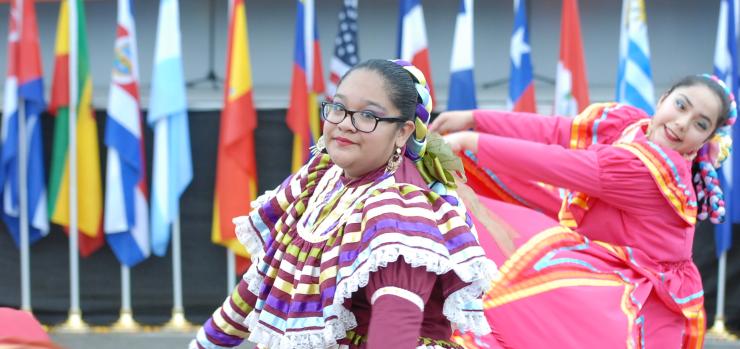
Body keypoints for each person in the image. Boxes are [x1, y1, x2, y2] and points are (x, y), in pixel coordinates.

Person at [189, 59, 496, 349]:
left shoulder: (399, 210)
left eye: (368, 116)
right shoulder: (320, 178)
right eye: (338, 108)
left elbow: (395, 328)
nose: (345, 124)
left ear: (403, 132)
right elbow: (261, 283)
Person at [430, 74, 736, 349]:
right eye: (681, 105)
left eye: (700, 124)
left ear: (706, 140)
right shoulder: (628, 125)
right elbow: (555, 131)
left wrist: (470, 141)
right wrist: (475, 118)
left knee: (521, 248)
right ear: (663, 98)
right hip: (608, 264)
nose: (683, 122)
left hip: (642, 298)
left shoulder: (649, 172)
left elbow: (558, 164)